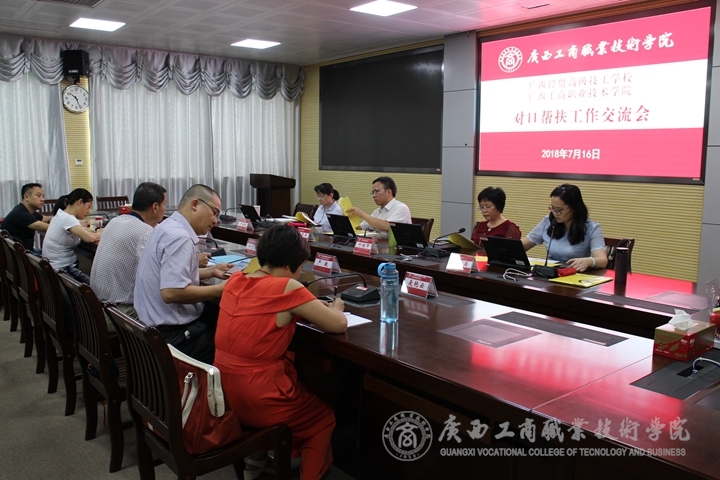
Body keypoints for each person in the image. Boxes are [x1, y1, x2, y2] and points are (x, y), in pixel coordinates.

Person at [214, 225, 347, 480]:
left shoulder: (236, 280)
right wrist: (336, 308)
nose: (299, 273)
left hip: (224, 393)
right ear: (288, 266)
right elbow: (337, 325)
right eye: (300, 267)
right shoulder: (288, 286)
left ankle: (254, 466)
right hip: (260, 396)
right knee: (322, 417)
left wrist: (308, 305)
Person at [134, 184, 229, 364]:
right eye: (214, 212)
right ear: (195, 204)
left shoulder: (166, 227)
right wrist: (221, 289)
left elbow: (168, 274)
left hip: (150, 331)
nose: (216, 220)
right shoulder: (179, 237)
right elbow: (171, 292)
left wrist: (211, 271)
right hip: (172, 338)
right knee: (232, 345)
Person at [90, 182, 167, 321]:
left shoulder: (115, 221)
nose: (165, 209)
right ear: (155, 207)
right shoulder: (145, 232)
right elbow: (160, 273)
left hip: (96, 307)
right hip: (118, 313)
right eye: (164, 204)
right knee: (175, 313)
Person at [521, 184, 607, 272]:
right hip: (550, 273)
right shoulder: (548, 222)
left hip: (574, 274)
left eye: (559, 210)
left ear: (574, 208)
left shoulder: (592, 228)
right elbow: (524, 245)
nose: (555, 213)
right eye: (552, 208)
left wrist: (589, 261)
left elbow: (602, 260)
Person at [42, 189, 101, 283]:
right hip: (62, 270)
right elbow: (90, 238)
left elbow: (85, 232)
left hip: (55, 267)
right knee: (95, 288)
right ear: (80, 202)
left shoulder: (62, 215)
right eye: (88, 207)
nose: (88, 211)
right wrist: (104, 232)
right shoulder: (67, 218)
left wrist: (95, 233)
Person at [346, 176, 411, 233]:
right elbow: (360, 227)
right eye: (373, 192)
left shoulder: (401, 208)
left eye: (377, 191)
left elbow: (387, 226)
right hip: (379, 242)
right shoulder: (377, 212)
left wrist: (362, 214)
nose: (374, 195)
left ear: (389, 192)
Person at [1, 183, 51, 252]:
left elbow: (47, 219)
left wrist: (51, 219)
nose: (42, 199)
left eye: (43, 196)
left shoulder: (28, 211)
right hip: (23, 256)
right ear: (26, 197)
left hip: (23, 253)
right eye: (38, 196)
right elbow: (49, 227)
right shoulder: (20, 213)